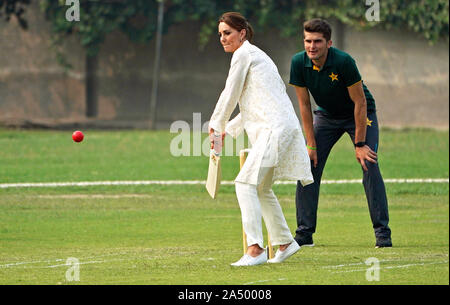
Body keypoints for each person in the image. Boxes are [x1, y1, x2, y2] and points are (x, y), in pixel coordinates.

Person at [209, 12, 314, 266]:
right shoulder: (256, 57)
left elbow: (229, 93)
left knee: (244, 183)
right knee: (261, 188)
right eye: (220, 34)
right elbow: (253, 106)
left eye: (228, 33)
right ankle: (286, 243)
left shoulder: (244, 54)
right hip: (281, 126)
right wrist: (226, 132)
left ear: (242, 33)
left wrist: (215, 125)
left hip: (274, 129)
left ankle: (255, 249)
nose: (223, 38)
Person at [289, 18, 392, 248]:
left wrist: (360, 143)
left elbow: (360, 102)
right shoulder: (298, 62)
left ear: (329, 43)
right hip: (325, 116)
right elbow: (304, 106)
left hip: (360, 114)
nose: (311, 46)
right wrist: (311, 144)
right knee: (308, 165)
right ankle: (304, 235)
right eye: (308, 41)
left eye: (317, 41)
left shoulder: (344, 61)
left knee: (369, 163)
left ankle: (382, 233)